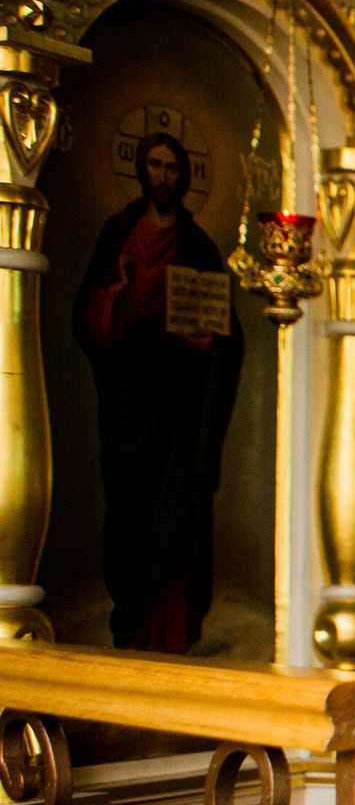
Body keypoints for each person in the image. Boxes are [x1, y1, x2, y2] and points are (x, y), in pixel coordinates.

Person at [72, 130, 242, 653]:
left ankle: (173, 635)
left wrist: (208, 342)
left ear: (183, 176)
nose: (164, 177)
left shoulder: (198, 247)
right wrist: (118, 290)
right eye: (156, 165)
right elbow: (88, 322)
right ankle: (130, 625)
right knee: (129, 518)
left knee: (179, 519)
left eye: (172, 167)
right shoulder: (119, 234)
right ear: (142, 171)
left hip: (181, 410)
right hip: (129, 403)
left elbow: (227, 336)